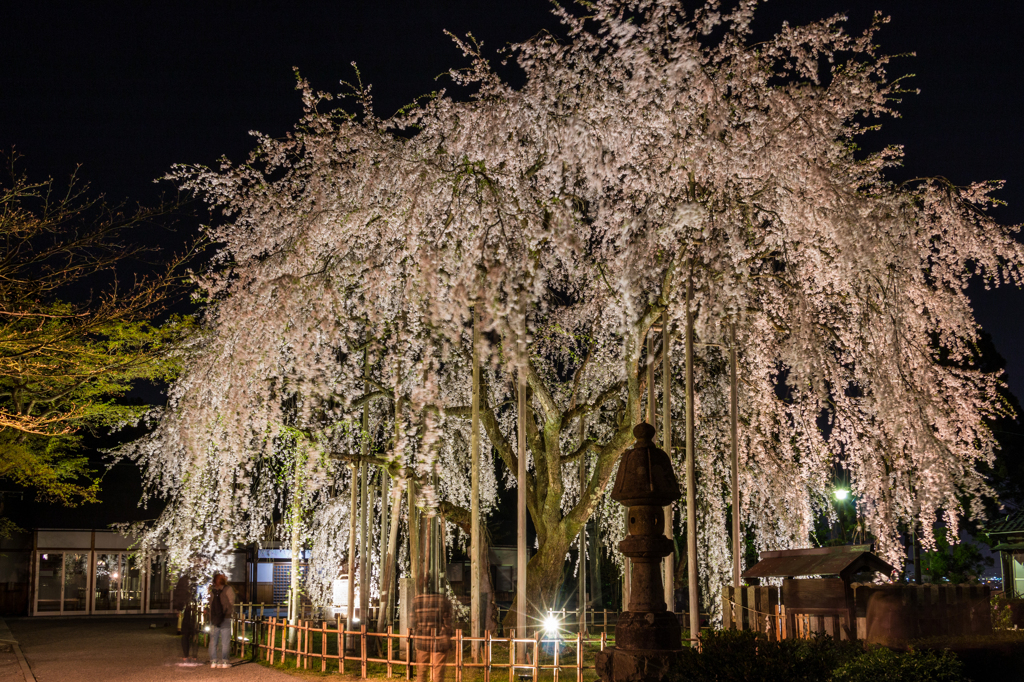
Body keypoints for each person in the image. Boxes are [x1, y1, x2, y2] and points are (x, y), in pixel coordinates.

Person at [205, 573, 236, 669]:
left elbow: (210, 604)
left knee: (213, 641)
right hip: (225, 618)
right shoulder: (228, 589)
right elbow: (232, 602)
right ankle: (225, 661)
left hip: (214, 619)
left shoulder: (212, 591)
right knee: (225, 641)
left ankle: (213, 661)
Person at [172, 573, 200, 665]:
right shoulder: (194, 580)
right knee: (191, 633)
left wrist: (178, 608)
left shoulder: (184, 580)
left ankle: (186, 655)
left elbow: (178, 594)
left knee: (186, 634)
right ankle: (191, 655)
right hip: (190, 609)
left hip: (187, 609)